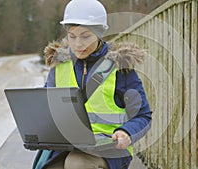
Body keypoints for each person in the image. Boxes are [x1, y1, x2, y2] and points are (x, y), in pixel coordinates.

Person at [33, 0, 152, 168]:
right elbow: (47, 108)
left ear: (100, 33)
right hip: (66, 147)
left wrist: (126, 132)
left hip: (109, 149)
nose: (78, 44)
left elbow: (144, 115)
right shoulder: (59, 67)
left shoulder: (120, 68)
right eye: (72, 36)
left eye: (86, 36)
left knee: (76, 163)